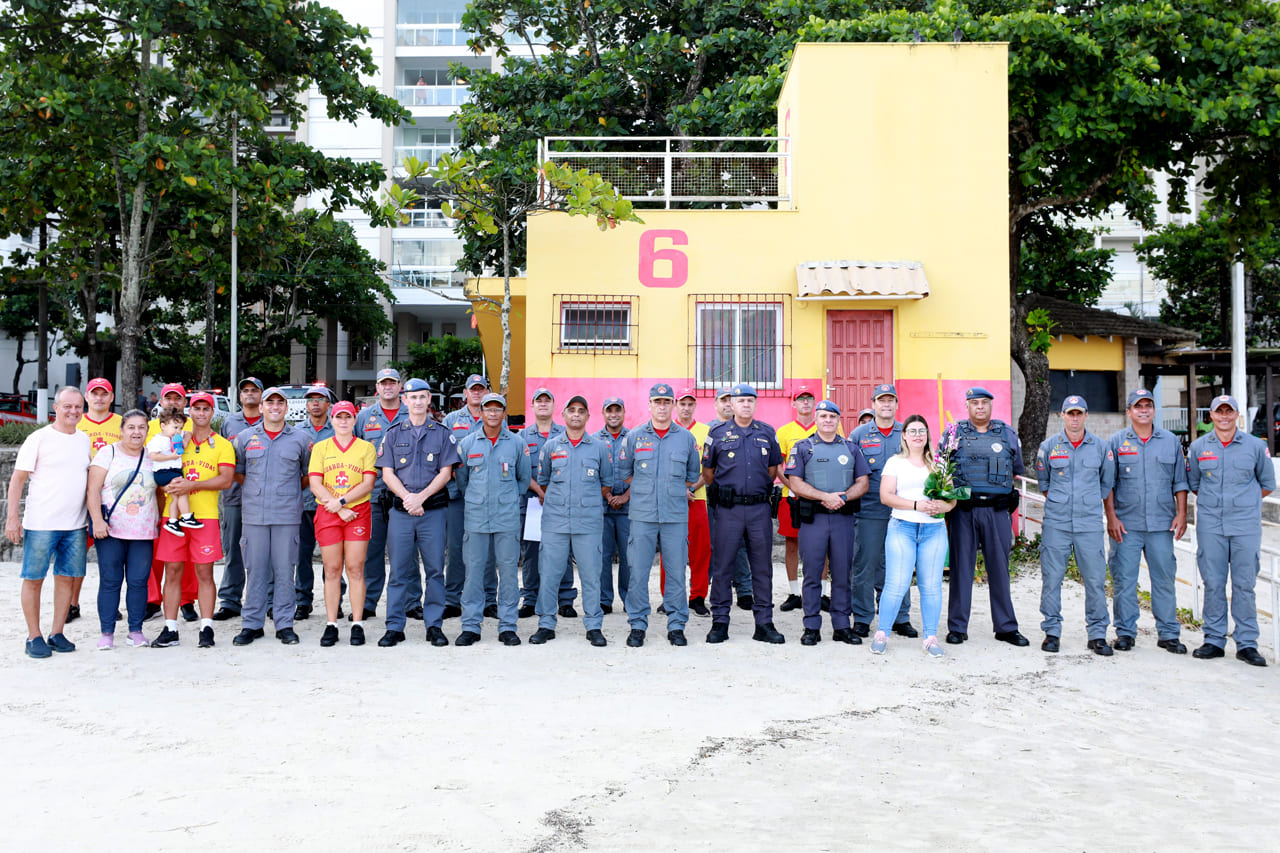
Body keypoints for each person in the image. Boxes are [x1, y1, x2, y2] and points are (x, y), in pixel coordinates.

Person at [1186, 394, 1274, 667]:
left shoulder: (1255, 447)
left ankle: (1247, 643)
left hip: (1245, 526)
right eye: (1219, 412)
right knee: (1213, 583)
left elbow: (1267, 483)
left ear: (1237, 415)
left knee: (1244, 585)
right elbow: (1195, 484)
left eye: (1229, 412)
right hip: (1211, 525)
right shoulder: (1199, 447)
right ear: (1210, 416)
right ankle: (1213, 639)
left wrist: (1243, 504)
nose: (1224, 416)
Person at [6, 387, 91, 658]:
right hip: (41, 523)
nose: (73, 411)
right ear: (56, 407)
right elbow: (17, 479)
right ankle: (34, 636)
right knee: (34, 579)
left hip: (75, 525)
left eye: (78, 406)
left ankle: (57, 632)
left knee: (66, 578)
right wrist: (12, 519)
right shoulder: (38, 438)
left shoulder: (84, 440)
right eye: (67, 406)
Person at [1104, 389, 1189, 654]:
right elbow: (1108, 485)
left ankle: (1168, 634)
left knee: (1164, 579)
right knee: (1124, 580)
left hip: (1161, 525)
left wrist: (1182, 513)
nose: (1143, 410)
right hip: (1126, 525)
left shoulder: (1170, 442)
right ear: (1128, 411)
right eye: (1137, 406)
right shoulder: (1116, 442)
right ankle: (1126, 633)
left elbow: (1180, 481)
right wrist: (1112, 518)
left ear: (1154, 410)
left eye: (1148, 405)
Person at [377, 378, 459, 648]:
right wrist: (408, 499)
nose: (418, 402)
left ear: (429, 400)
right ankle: (394, 627)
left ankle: (434, 625)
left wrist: (420, 498)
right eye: (413, 397)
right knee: (399, 571)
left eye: (423, 397)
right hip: (401, 512)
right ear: (405, 400)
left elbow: (446, 473)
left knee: (435, 570)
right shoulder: (393, 433)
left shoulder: (442, 433)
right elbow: (387, 473)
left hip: (432, 512)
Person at [945, 387, 1030, 647]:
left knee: (999, 569)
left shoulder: (1007, 433)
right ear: (967, 406)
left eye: (984, 403)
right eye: (974, 403)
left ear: (991, 406)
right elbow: (941, 466)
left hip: (996, 512)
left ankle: (1005, 627)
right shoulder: (952, 433)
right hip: (963, 511)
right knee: (960, 570)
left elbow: (1016, 470)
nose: (980, 407)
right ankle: (957, 627)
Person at [618, 384, 701, 647]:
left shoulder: (686, 439)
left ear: (673, 405)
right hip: (642, 514)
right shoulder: (634, 437)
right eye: (658, 401)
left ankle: (676, 625)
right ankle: (638, 625)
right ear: (650, 404)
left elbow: (691, 476)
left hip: (675, 514)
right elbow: (626, 472)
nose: (662, 406)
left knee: (676, 571)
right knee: (638, 572)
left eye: (667, 401)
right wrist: (646, 489)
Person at [702, 383, 785, 644]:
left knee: (762, 568)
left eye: (750, 400)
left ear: (755, 404)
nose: (745, 404)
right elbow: (708, 473)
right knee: (723, 566)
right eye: (740, 401)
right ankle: (720, 623)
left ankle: (764, 623)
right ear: (732, 405)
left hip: (759, 509)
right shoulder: (716, 433)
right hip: (728, 510)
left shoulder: (767, 433)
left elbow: (772, 471)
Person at [151, 393, 235, 649]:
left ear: (212, 413)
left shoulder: (221, 444)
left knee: (204, 573)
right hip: (172, 517)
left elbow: (226, 480)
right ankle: (170, 628)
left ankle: (206, 627)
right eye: (196, 408)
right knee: (173, 571)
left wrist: (192, 484)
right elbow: (155, 469)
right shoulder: (174, 439)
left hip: (205, 517)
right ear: (190, 412)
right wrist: (166, 488)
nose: (200, 413)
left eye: (205, 409)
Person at [1034, 395, 1116, 656]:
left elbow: (1106, 485)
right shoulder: (1048, 447)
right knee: (1052, 579)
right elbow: (1044, 484)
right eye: (1070, 413)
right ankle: (1052, 632)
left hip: (1089, 524)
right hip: (1056, 524)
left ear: (1086, 415)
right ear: (1062, 416)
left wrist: (1085, 503)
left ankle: (1097, 634)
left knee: (1094, 580)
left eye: (1079, 413)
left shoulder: (1101, 448)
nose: (1075, 418)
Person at [230, 387, 312, 646]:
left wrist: (283, 492)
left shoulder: (300, 439)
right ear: (262, 407)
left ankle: (284, 623)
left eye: (280, 403)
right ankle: (252, 624)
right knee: (255, 570)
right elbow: (239, 472)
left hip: (287, 514)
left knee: (285, 569)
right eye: (270, 402)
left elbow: (306, 475)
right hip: (254, 514)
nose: (275, 407)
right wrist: (258, 491)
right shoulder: (244, 437)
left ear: (287, 408)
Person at [529, 395, 613, 646]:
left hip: (587, 522)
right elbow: (543, 481)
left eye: (581, 411)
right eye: (572, 411)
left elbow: (606, 483)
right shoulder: (551, 447)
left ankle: (594, 626)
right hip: (555, 521)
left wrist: (582, 502)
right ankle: (546, 623)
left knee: (591, 574)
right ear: (563, 415)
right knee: (550, 573)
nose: (576, 415)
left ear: (588, 417)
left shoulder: (599, 447)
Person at [871, 414, 957, 657]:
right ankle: (882, 633)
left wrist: (945, 507)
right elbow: (886, 496)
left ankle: (930, 637)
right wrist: (917, 505)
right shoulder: (895, 463)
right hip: (903, 527)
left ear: (928, 435)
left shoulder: (940, 464)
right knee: (897, 583)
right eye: (913, 431)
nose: (918, 435)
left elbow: (951, 499)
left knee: (931, 586)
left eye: (922, 430)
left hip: (934, 530)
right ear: (905, 436)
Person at [785, 400, 870, 646]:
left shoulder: (851, 449)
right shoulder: (803, 448)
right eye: (823, 416)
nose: (828, 421)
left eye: (832, 417)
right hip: (814, 520)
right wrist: (825, 497)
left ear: (838, 420)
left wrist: (842, 497)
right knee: (812, 573)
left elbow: (863, 482)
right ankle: (811, 626)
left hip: (843, 518)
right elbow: (795, 483)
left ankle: (842, 626)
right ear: (817, 418)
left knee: (843, 573)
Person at [454, 392, 530, 646]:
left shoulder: (517, 444)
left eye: (498, 409)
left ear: (504, 413)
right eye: (488, 409)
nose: (493, 413)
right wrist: (479, 499)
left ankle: (508, 626)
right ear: (481, 413)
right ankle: (471, 626)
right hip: (475, 517)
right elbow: (462, 482)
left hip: (506, 517)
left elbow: (522, 479)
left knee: (508, 572)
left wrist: (505, 499)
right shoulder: (467, 444)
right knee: (474, 572)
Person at [86, 410, 157, 649]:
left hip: (143, 531)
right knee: (110, 580)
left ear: (148, 430)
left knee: (138, 581)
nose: (136, 432)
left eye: (141, 428)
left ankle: (135, 630)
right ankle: (107, 632)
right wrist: (97, 520)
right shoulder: (108, 453)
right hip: (111, 530)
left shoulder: (152, 456)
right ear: (122, 429)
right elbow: (93, 489)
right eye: (131, 427)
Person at [308, 401, 376, 647]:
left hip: (357, 512)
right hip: (329, 511)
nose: (344, 421)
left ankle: (357, 623)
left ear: (354, 419)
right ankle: (332, 623)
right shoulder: (321, 447)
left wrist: (344, 502)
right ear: (332, 420)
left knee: (356, 568)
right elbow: (315, 482)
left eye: (348, 417)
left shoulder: (366, 448)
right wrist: (337, 506)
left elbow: (368, 483)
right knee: (332, 569)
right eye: (339, 417)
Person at [849, 384, 914, 638]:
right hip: (869, 510)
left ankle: (900, 617)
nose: (886, 405)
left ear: (897, 405)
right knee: (865, 564)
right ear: (873, 404)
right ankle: (863, 618)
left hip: (902, 510)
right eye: (881, 401)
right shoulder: (859, 434)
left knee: (900, 562)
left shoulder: (908, 433)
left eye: (891, 401)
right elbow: (850, 472)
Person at [355, 367, 410, 620]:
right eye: (383, 383)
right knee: (372, 552)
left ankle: (411, 603)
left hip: (406, 495)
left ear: (400, 386)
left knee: (407, 552)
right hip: (374, 494)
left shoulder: (412, 412)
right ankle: (368, 602)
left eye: (392, 383)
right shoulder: (364, 417)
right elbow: (353, 451)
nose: (388, 387)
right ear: (377, 388)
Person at [443, 373, 497, 619]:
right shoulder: (452, 419)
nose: (476, 393)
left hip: (485, 496)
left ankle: (489, 600)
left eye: (481, 389)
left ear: (486, 392)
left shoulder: (496, 420)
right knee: (455, 549)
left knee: (487, 550)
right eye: (472, 389)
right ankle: (452, 599)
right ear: (465, 393)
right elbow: (443, 453)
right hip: (456, 495)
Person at [517, 388, 575, 617]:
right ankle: (530, 599)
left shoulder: (566, 433)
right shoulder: (521, 437)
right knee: (531, 552)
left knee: (562, 550)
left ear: (553, 406)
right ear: (532, 406)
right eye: (538, 401)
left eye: (547, 400)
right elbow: (519, 470)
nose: (542, 404)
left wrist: (550, 492)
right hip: (532, 503)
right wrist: (540, 490)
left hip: (560, 503)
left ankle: (565, 599)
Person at [70, 376, 123, 623]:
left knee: (112, 557)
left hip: (114, 498)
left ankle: (112, 604)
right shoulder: (75, 424)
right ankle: (72, 603)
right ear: (86, 397)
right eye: (95, 393)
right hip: (78, 495)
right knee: (76, 553)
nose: (99, 398)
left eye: (104, 393)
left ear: (112, 397)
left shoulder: (122, 424)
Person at [211, 376, 264, 621]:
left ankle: (268, 599)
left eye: (255, 390)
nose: (250, 394)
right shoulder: (230, 423)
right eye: (246, 391)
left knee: (264, 552)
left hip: (265, 498)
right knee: (232, 549)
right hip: (234, 495)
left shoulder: (271, 420)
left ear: (262, 395)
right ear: (240, 396)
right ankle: (230, 600)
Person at [143, 383, 197, 622]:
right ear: (161, 402)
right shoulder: (150, 428)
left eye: (178, 398)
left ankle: (186, 600)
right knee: (153, 555)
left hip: (184, 492)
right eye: (169, 398)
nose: (173, 402)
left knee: (183, 554)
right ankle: (152, 600)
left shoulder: (191, 426)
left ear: (185, 403)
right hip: (155, 495)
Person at [661, 388, 711, 616]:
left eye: (690, 404)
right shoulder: (665, 430)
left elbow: (710, 467)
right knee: (669, 552)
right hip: (671, 501)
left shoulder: (706, 431)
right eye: (682, 403)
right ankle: (669, 596)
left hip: (698, 499)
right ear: (674, 405)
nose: (686, 408)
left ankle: (698, 596)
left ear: (695, 406)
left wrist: (690, 488)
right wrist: (679, 490)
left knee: (700, 552)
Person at [708, 386, 754, 610]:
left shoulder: (751, 429)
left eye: (730, 400)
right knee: (712, 544)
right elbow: (705, 467)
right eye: (723, 400)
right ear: (715, 404)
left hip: (739, 500)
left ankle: (744, 589)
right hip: (713, 496)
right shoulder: (708, 430)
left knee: (741, 545)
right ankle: (707, 589)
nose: (727, 404)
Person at [774, 386, 819, 611]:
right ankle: (794, 592)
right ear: (794, 404)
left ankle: (821, 591)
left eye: (809, 399)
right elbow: (777, 465)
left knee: (822, 544)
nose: (805, 403)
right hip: (790, 496)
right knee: (792, 543)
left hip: (819, 495)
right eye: (800, 399)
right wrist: (792, 485)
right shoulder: (784, 431)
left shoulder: (827, 425)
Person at [295, 384, 335, 620]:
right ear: (306, 405)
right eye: (311, 400)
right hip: (303, 502)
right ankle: (303, 601)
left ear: (328, 404)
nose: (316, 403)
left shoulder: (338, 429)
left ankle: (335, 599)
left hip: (331, 503)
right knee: (303, 555)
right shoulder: (297, 431)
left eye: (321, 399)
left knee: (333, 556)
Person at [596, 396, 631, 614]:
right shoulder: (594, 440)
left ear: (623, 412)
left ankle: (629, 598)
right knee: (602, 555)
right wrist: (608, 495)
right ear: (604, 413)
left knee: (630, 556)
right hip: (602, 507)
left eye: (618, 410)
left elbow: (641, 472)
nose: (614, 414)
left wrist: (626, 496)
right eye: (610, 410)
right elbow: (592, 474)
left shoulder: (635, 438)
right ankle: (603, 600)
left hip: (629, 508)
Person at [148, 409, 203, 535]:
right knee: (183, 491)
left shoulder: (175, 437)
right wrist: (171, 457)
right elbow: (154, 456)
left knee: (175, 498)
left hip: (173, 471)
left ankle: (172, 522)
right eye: (175, 427)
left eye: (180, 427)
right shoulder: (159, 440)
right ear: (163, 426)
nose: (178, 431)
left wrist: (184, 441)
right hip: (165, 472)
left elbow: (188, 433)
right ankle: (186, 517)